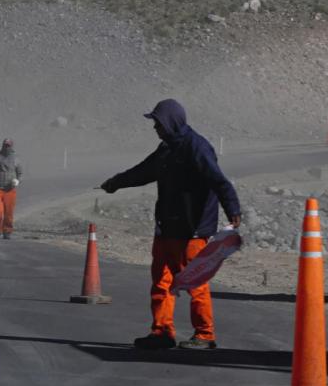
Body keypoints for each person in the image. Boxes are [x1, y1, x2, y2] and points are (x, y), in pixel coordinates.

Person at [99, 99, 241, 350]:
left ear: (171, 122)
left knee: (195, 282)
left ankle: (205, 334)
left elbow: (219, 181)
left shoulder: (197, 147)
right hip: (166, 227)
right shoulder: (166, 149)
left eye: (158, 123)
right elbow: (143, 171)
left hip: (191, 230)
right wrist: (116, 182)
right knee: (161, 281)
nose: (155, 127)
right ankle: (162, 332)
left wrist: (232, 209)